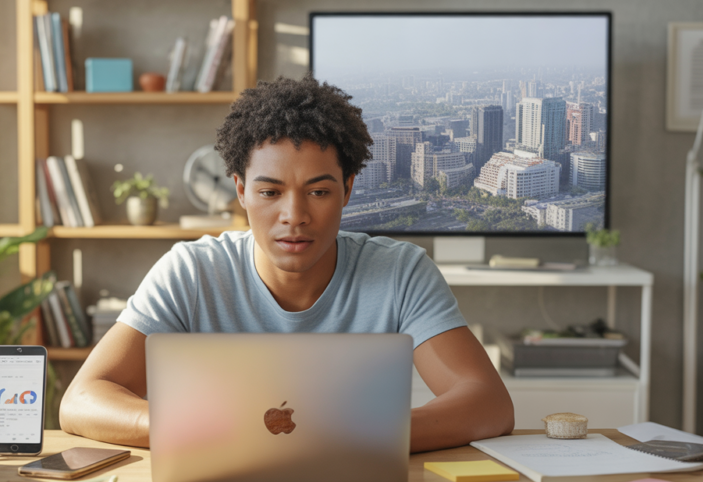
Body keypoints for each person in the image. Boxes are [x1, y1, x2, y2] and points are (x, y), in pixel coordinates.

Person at [59, 75, 514, 453]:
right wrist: (194, 428)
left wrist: (357, 436)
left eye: (318, 192)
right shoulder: (191, 272)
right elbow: (81, 401)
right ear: (240, 191)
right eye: (270, 192)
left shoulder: (401, 273)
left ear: (348, 189)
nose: (294, 215)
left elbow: (487, 403)